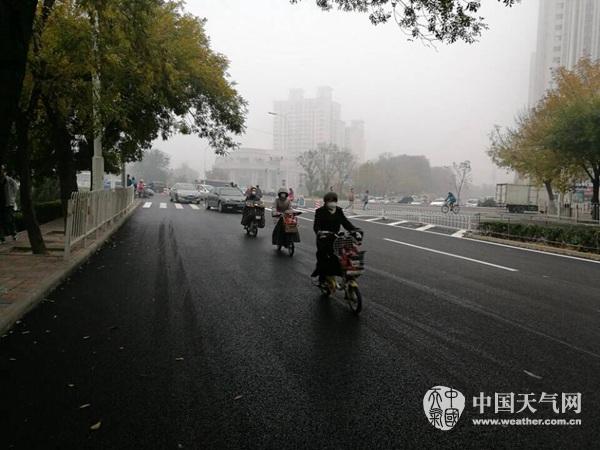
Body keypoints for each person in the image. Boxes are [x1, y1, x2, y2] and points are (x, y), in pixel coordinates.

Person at [311, 192, 360, 283]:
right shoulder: (320, 211)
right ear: (325, 202)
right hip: (324, 238)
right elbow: (316, 226)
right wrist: (319, 232)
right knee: (323, 257)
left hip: (336, 237)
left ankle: (343, 274)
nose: (332, 203)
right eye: (330, 201)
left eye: (334, 200)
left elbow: (345, 222)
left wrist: (355, 230)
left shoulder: (339, 210)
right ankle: (322, 279)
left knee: (343, 256)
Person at [0, 167, 18, 243]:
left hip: (8, 203)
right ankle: (1, 238)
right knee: (0, 221)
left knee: (9, 219)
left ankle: (13, 233)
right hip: (0, 204)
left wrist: (12, 197)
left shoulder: (9, 180)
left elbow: (16, 188)